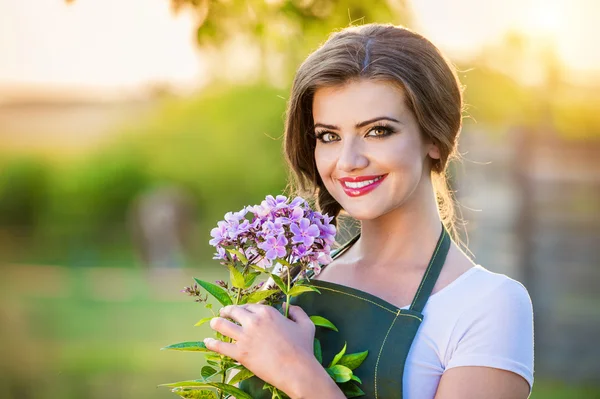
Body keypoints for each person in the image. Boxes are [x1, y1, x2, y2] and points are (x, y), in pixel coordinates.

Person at [203, 23, 534, 398]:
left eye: (377, 131)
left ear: (435, 138)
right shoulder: (289, 277)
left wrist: (298, 374)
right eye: (328, 136)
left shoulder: (487, 304)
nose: (348, 161)